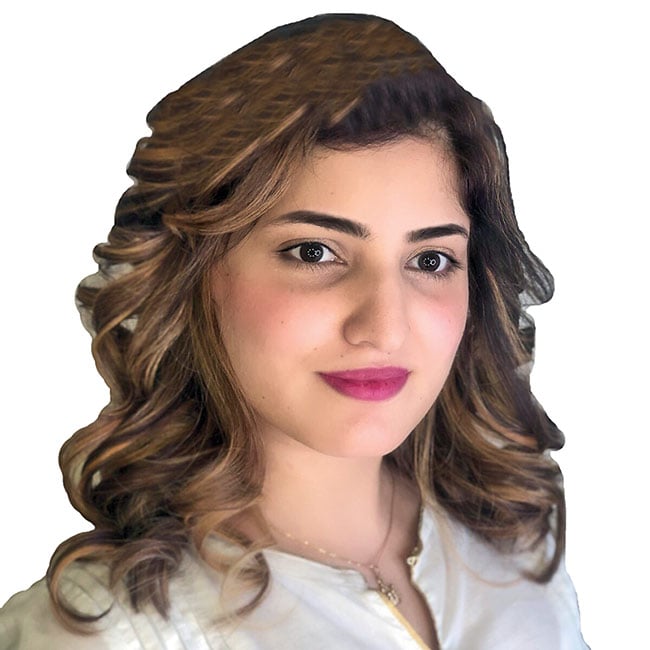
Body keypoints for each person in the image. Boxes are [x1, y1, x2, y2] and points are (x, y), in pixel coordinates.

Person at [0, 13, 589, 649]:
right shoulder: (105, 630)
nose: (384, 328)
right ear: (197, 273)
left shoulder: (520, 550)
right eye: (315, 253)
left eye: (429, 260)